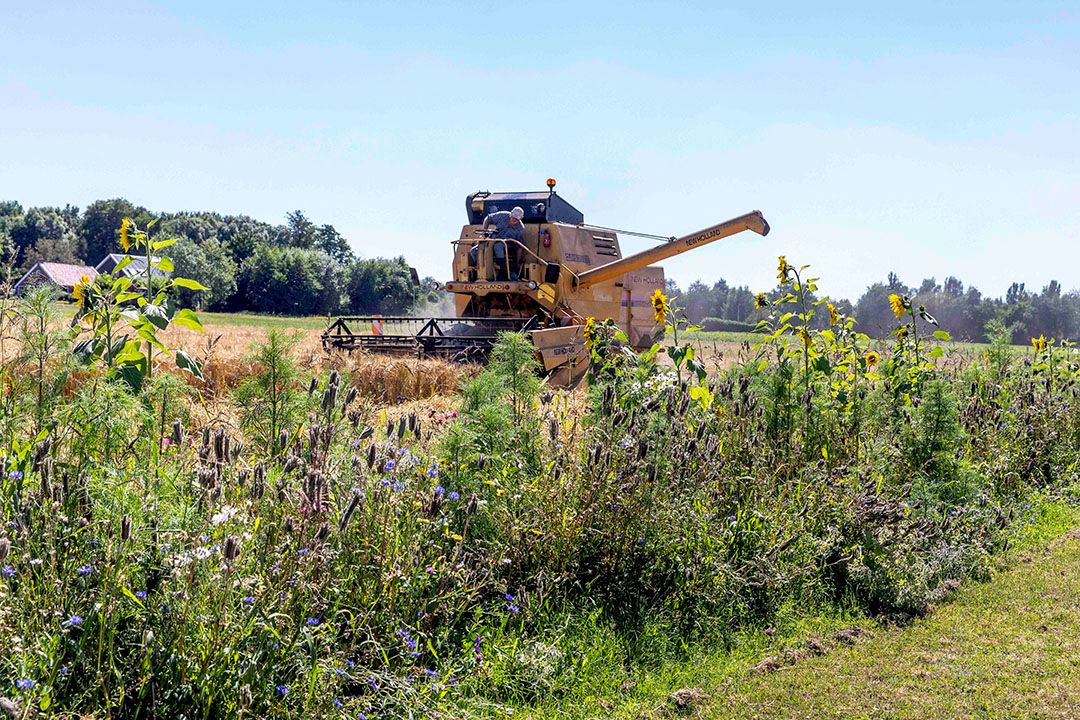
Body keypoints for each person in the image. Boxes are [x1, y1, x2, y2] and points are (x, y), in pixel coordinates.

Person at [481, 206, 525, 280]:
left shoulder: (520, 228)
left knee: (498, 246)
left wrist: (517, 262)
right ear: (510, 214)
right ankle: (483, 269)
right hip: (492, 241)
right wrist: (484, 232)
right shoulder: (502, 215)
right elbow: (488, 219)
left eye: (516, 220)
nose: (514, 220)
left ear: (520, 219)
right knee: (474, 251)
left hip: (507, 246)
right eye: (513, 218)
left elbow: (519, 247)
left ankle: (503, 269)